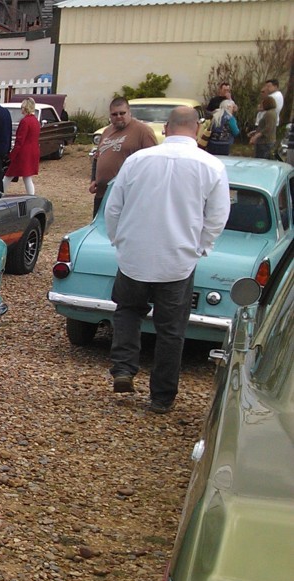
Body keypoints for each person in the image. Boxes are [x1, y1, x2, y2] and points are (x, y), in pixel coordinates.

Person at [104, 106, 229, 414]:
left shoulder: (137, 161)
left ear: (166, 129)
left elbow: (113, 207)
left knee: (128, 311)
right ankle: (161, 397)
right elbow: (217, 216)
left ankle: (124, 367)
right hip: (178, 259)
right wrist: (201, 247)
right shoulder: (211, 166)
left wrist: (119, 240)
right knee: (171, 330)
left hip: (135, 255)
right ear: (197, 129)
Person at [89, 97, 157, 217]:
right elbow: (97, 157)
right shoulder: (107, 131)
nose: (119, 116)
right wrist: (94, 180)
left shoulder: (143, 131)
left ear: (129, 112)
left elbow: (153, 162)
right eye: (114, 114)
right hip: (102, 194)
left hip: (126, 196)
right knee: (99, 227)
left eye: (122, 113)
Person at [5, 97, 40, 194]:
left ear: (25, 108)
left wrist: (12, 155)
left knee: (8, 175)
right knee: (27, 177)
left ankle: (0, 193)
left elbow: (20, 140)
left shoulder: (25, 121)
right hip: (33, 151)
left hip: (23, 153)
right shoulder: (35, 121)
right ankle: (31, 196)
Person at [250, 95, 278, 160]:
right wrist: (255, 132)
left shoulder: (269, 114)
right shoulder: (273, 112)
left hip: (264, 142)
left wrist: (256, 136)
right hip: (268, 141)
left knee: (260, 160)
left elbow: (268, 128)